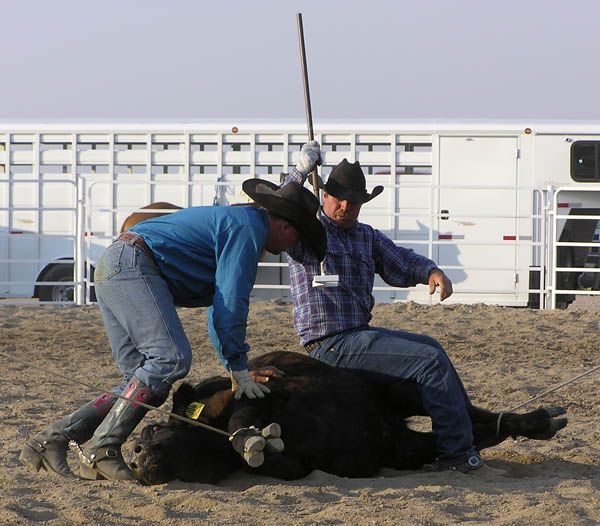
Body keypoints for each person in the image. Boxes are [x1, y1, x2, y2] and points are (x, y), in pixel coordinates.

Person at [19, 168, 326, 481]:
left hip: (118, 264)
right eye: (297, 238)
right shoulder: (249, 230)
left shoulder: (239, 222)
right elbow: (231, 305)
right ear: (286, 226)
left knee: (139, 381)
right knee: (171, 358)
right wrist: (237, 368)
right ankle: (103, 446)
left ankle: (53, 438)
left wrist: (237, 365)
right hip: (133, 266)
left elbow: (220, 308)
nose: (292, 246)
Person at [284, 142, 483, 473]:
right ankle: (457, 455)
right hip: (330, 342)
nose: (346, 206)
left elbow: (399, 260)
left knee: (432, 348)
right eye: (340, 198)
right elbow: (277, 208)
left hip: (356, 336)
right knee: (431, 360)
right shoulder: (308, 230)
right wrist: (299, 170)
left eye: (354, 201)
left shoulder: (366, 236)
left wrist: (429, 271)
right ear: (324, 195)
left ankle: (472, 428)